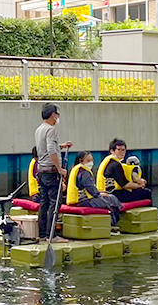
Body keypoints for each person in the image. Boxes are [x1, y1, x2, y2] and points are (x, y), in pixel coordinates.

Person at [35, 102, 73, 243]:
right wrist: (60, 169)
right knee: (54, 203)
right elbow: (51, 150)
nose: (58, 117)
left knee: (44, 202)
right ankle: (52, 235)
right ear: (53, 114)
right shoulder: (51, 130)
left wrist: (62, 145)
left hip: (42, 171)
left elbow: (47, 147)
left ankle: (43, 233)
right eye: (57, 114)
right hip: (51, 172)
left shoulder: (39, 129)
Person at [67, 151, 123, 225]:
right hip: (83, 200)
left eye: (91, 160)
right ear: (81, 161)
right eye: (88, 161)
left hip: (79, 199)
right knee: (110, 200)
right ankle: (113, 224)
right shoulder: (84, 173)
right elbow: (90, 188)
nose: (91, 163)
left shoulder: (76, 169)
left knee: (109, 198)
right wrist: (99, 194)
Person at [97, 138, 152, 203]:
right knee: (146, 192)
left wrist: (139, 181)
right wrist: (140, 186)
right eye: (119, 150)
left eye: (123, 150)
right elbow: (125, 185)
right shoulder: (115, 165)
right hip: (113, 195)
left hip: (110, 193)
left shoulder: (111, 162)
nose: (121, 152)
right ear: (112, 151)